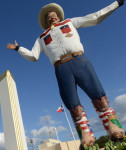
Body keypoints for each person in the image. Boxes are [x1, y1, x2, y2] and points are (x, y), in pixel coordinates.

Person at [7, 0, 125, 149]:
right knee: (72, 102)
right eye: (49, 16)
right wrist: (18, 48)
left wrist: (116, 3)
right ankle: (86, 136)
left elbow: (95, 17)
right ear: (46, 20)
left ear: (59, 16)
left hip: (80, 60)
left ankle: (114, 128)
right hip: (61, 68)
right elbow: (33, 56)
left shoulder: (70, 22)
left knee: (97, 94)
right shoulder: (42, 37)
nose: (52, 17)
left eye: (54, 15)